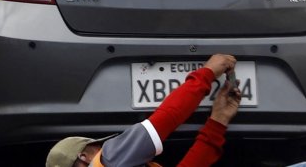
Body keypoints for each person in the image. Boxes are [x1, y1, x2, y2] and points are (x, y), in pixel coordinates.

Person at [46, 54, 242, 167]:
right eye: (99, 147)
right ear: (84, 157)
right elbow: (166, 118)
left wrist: (218, 121)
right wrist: (206, 74)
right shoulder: (108, 160)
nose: (108, 148)